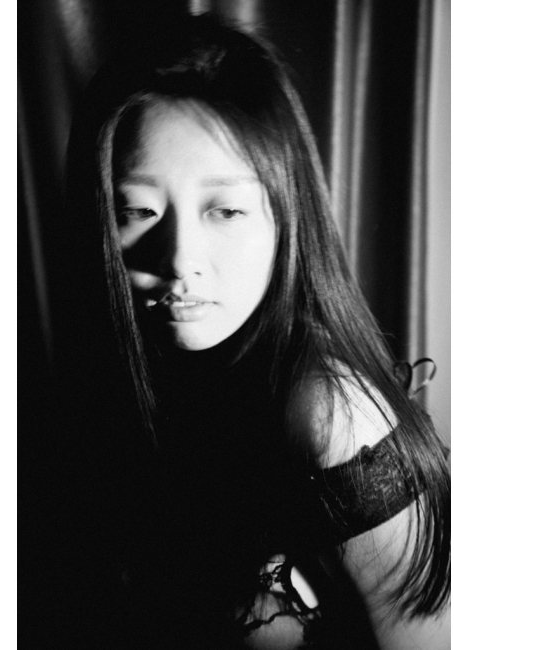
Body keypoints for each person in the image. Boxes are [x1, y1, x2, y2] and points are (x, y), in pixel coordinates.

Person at [59, 12, 450, 650]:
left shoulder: (330, 413)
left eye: (226, 210)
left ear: (285, 218)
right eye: (137, 210)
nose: (180, 259)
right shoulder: (121, 382)